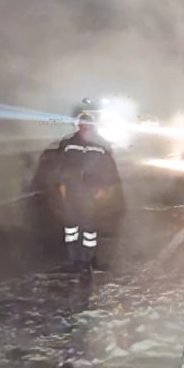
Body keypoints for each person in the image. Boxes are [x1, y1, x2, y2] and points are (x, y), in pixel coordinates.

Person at [53, 112, 122, 273]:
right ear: (78, 125)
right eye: (81, 125)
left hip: (91, 192)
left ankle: (86, 260)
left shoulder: (101, 145)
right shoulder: (68, 143)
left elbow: (109, 168)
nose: (84, 128)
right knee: (71, 227)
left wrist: (103, 188)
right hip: (72, 190)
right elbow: (60, 166)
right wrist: (61, 186)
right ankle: (73, 260)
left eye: (87, 125)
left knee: (89, 227)